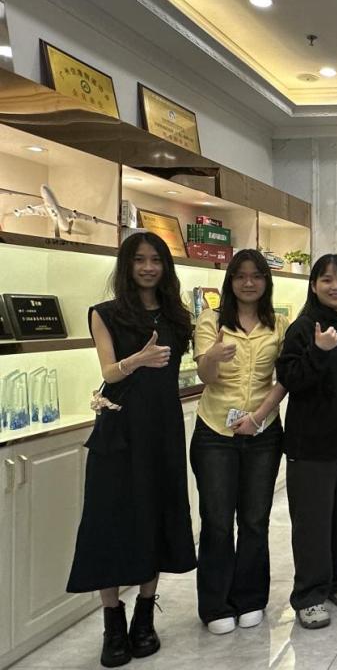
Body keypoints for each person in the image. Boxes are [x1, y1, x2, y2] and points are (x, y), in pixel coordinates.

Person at [67, 232, 196, 667]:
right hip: (119, 430)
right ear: (127, 265)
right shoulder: (104, 313)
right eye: (139, 260)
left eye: (155, 260)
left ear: (165, 266)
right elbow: (108, 371)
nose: (148, 268)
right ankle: (112, 624)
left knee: (156, 517)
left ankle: (144, 617)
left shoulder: (177, 317)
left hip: (162, 430)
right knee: (108, 522)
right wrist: (136, 360)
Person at [191, 249, 288, 634]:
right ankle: (216, 605)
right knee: (216, 521)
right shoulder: (211, 320)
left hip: (263, 432)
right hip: (215, 431)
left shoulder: (278, 324)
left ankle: (251, 598)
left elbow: (285, 378)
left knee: (254, 520)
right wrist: (213, 356)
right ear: (230, 281)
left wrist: (259, 416)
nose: (249, 283)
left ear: (266, 281)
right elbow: (206, 376)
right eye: (241, 276)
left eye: (257, 276)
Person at [276, 254, 337, 628]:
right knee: (312, 523)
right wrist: (318, 350)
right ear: (314, 286)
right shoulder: (303, 328)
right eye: (327, 280)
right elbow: (291, 379)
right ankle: (309, 595)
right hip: (312, 445)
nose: (336, 286)